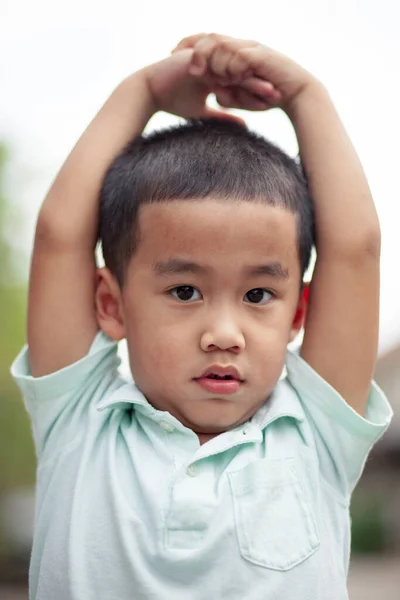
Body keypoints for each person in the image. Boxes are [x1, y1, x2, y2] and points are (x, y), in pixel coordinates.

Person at [11, 33, 392, 600]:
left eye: (258, 295)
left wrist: (306, 96)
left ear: (298, 314)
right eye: (185, 291)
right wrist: (142, 90)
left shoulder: (316, 434)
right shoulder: (81, 419)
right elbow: (59, 237)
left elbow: (355, 249)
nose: (223, 335)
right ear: (111, 305)